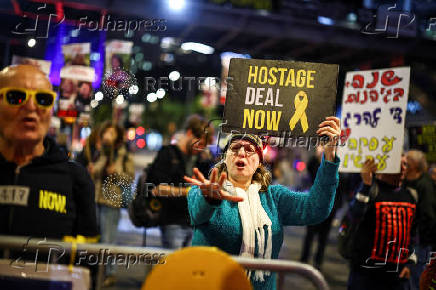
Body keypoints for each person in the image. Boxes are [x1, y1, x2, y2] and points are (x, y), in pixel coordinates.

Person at [184, 116, 341, 290]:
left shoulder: (274, 197)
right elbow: (198, 211)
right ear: (225, 159)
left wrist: (329, 156)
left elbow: (316, 208)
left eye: (250, 150)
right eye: (235, 148)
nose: (242, 153)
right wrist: (209, 199)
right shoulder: (203, 190)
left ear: (259, 163)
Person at [0, 64, 98, 241]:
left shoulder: (76, 179)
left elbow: (87, 258)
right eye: (16, 97)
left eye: (43, 99)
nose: (31, 107)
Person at [346, 157, 417, 290]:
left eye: (405, 164)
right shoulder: (371, 190)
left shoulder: (410, 196)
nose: (403, 169)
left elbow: (412, 235)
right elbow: (353, 217)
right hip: (365, 277)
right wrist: (366, 184)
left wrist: (409, 265)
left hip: (396, 278)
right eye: (398, 164)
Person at [147, 115, 213, 249]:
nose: (200, 149)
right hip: (173, 222)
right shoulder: (167, 154)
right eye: (199, 144)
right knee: (175, 266)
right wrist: (188, 191)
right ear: (189, 133)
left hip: (196, 224)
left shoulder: (201, 159)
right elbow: (157, 189)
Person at [90, 121, 134, 287]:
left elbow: (129, 178)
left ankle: (110, 272)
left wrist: (116, 173)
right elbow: (94, 173)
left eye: (112, 132)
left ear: (118, 137)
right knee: (96, 237)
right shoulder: (99, 152)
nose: (108, 135)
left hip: (111, 201)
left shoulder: (124, 155)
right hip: (95, 199)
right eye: (106, 132)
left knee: (108, 239)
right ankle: (96, 271)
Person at [300, 146, 343, 270]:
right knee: (309, 234)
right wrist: (318, 157)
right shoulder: (316, 165)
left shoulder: (339, 169)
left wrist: (335, 208)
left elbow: (341, 191)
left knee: (323, 237)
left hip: (330, 209)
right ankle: (304, 259)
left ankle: (318, 261)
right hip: (314, 205)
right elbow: (311, 169)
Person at [404, 150, 436, 290]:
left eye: (407, 160)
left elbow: (428, 216)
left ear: (415, 165)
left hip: (421, 244)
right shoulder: (406, 181)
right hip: (410, 242)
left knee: (417, 281)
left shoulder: (425, 185)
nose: (403, 162)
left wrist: (421, 239)